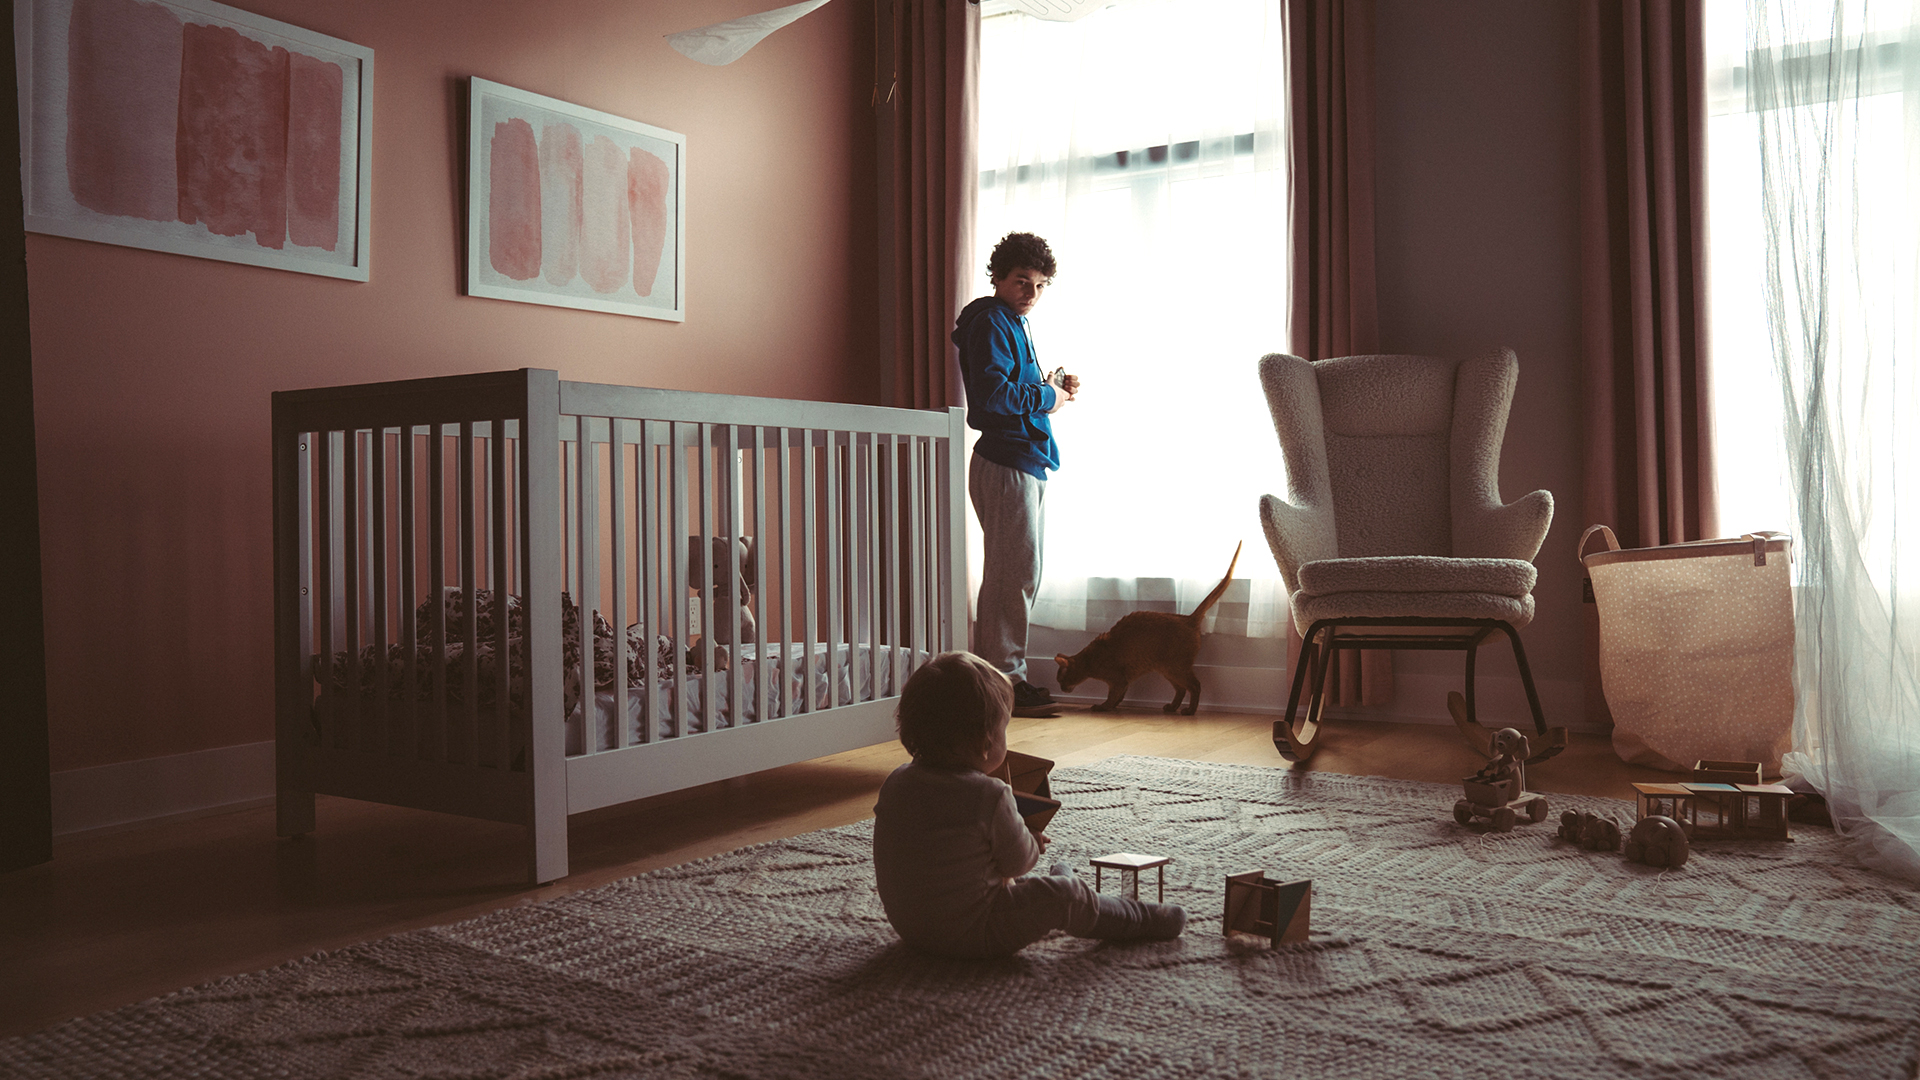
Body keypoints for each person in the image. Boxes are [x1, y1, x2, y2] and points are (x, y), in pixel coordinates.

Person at [871, 651, 1187, 958]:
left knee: (1008, 882)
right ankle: (1141, 917)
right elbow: (1017, 865)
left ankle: (1062, 880)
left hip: (912, 929)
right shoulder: (989, 794)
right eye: (1004, 729)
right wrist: (1031, 841)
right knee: (1063, 898)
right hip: (975, 932)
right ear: (985, 742)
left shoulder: (896, 782)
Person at [953, 232, 1080, 714]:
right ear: (999, 279)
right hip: (1006, 460)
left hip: (1023, 459)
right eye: (1022, 281)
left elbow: (1013, 389)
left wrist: (1050, 386)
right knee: (1013, 575)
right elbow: (994, 398)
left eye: (1040, 284)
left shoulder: (1010, 322)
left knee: (1018, 573)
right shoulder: (991, 322)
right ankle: (1003, 683)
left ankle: (1002, 680)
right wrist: (1050, 398)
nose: (1031, 292)